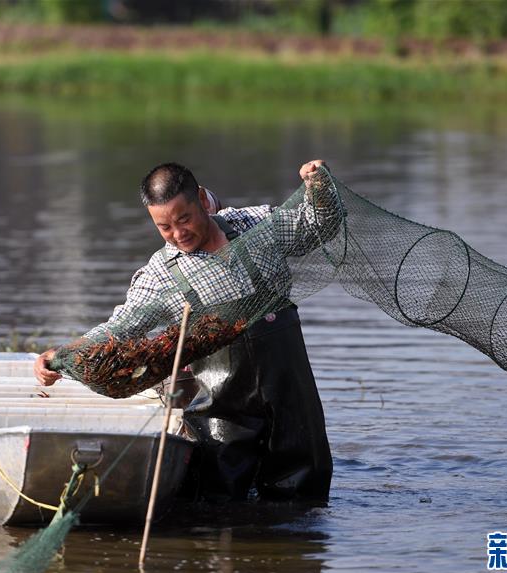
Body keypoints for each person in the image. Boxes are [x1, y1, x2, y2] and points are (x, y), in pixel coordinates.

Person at [35, 160, 333, 502]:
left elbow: (318, 227)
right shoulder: (161, 275)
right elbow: (121, 326)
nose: (178, 234)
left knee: (305, 497)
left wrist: (317, 187)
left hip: (291, 399)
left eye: (184, 219)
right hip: (224, 414)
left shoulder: (255, 225)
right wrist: (62, 354)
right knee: (220, 502)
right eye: (164, 227)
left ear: (203, 201)